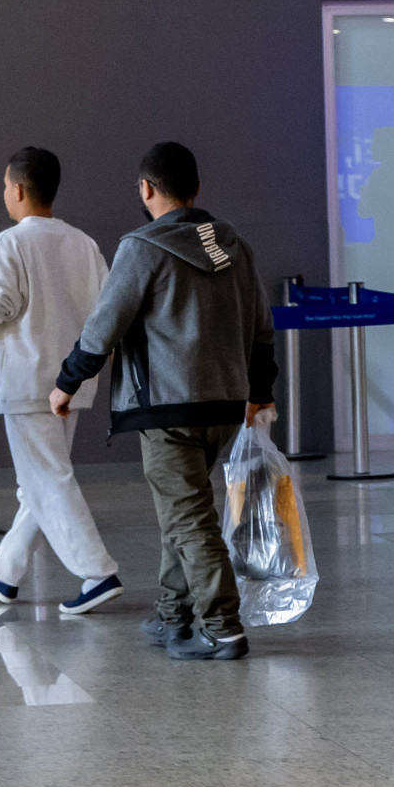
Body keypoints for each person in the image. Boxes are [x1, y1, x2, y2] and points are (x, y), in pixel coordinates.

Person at [50, 142, 276, 661]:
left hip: (168, 408)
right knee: (184, 509)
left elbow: (104, 324)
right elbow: (262, 330)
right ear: (196, 189)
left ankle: (222, 627)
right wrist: (260, 395)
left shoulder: (142, 247)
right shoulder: (234, 247)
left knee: (189, 519)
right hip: (225, 405)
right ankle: (173, 615)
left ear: (147, 189)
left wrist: (67, 382)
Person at [0, 148, 124, 614]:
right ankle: (6, 571)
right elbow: (107, 312)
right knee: (40, 481)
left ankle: (98, 572)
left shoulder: (9, 244)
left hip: (26, 383)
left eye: (5, 185)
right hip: (73, 381)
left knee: (49, 479)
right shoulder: (84, 244)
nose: (4, 192)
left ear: (18, 190)